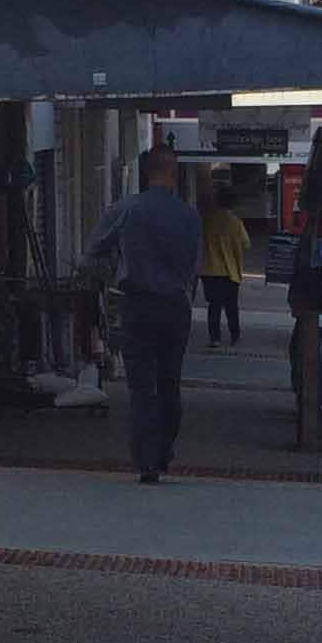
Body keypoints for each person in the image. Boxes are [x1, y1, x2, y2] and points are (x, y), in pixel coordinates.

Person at [88, 148, 203, 482]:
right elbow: (197, 265)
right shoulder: (189, 216)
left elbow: (95, 246)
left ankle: (146, 461)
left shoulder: (128, 209)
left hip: (137, 305)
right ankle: (164, 450)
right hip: (176, 306)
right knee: (170, 382)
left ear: (144, 172)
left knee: (142, 386)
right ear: (174, 173)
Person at [199, 174, 249, 347]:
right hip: (230, 272)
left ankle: (215, 338)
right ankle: (234, 335)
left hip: (209, 270)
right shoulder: (235, 223)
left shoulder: (207, 220)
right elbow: (246, 244)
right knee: (231, 306)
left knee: (214, 306)